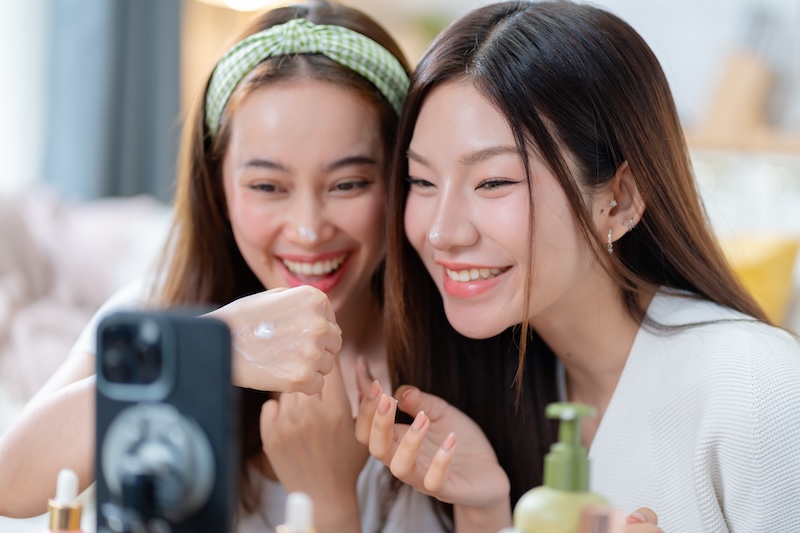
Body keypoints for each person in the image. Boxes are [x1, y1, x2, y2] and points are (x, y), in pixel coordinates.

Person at [0, 2, 448, 531]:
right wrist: (212, 349)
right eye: (267, 187)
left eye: (349, 183)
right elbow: (13, 483)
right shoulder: (159, 304)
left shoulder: (447, 346)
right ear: (218, 186)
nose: (308, 230)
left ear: (400, 179)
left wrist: (328, 498)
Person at [354, 2, 800, 533]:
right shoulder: (459, 396)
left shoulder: (757, 389)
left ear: (620, 199)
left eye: (493, 182)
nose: (441, 231)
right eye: (421, 182)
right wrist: (484, 513)